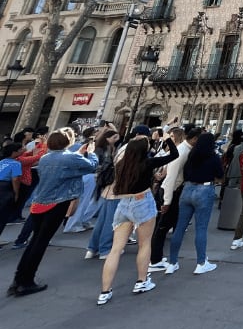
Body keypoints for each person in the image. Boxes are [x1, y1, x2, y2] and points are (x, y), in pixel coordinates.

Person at [7, 130, 97, 297]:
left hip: (40, 201)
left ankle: (19, 279)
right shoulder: (69, 157)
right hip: (57, 202)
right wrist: (91, 154)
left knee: (35, 241)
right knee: (41, 242)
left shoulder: (46, 157)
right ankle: (26, 281)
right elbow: (91, 166)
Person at [97, 129, 179, 305]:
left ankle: (105, 291)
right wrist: (167, 140)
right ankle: (141, 281)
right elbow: (174, 154)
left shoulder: (122, 165)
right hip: (143, 201)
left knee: (115, 249)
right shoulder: (147, 163)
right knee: (144, 244)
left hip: (124, 203)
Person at [166, 132, 224, 274]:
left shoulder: (192, 155)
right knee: (201, 228)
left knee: (179, 227)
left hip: (188, 189)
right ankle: (201, 262)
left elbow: (186, 173)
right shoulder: (214, 157)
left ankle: (172, 262)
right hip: (204, 190)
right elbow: (220, 176)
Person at [148, 126, 195, 273]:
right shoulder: (181, 151)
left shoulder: (183, 150)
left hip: (172, 192)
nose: (169, 141)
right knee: (161, 227)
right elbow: (171, 178)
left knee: (165, 225)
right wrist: (167, 200)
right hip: (170, 192)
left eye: (172, 138)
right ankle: (154, 259)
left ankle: (157, 257)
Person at [85, 128, 121, 260]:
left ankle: (92, 248)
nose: (117, 139)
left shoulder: (112, 150)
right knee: (110, 220)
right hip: (115, 189)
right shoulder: (111, 152)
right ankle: (105, 249)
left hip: (107, 187)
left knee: (102, 220)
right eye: (115, 137)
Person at [0, 143, 21, 242]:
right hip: (5, 188)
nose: (22, 150)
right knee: (2, 215)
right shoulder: (15, 164)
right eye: (20, 149)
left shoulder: (2, 161)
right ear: (14, 152)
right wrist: (16, 193)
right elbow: (15, 179)